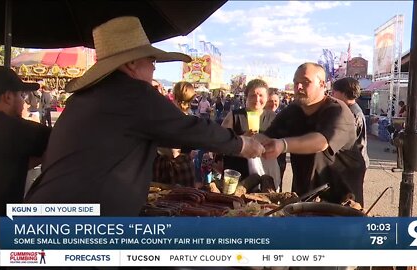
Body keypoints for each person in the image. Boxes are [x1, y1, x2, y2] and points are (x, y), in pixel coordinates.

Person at [24, 16, 264, 216]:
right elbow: (189, 128)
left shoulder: (88, 97)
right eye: (151, 60)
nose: (154, 67)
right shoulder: (132, 93)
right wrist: (241, 144)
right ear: (130, 64)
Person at [0, 66, 51, 269]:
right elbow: (61, 140)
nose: (23, 101)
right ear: (7, 97)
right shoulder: (16, 129)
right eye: (20, 95)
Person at [260, 62, 363, 205]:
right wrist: (241, 142)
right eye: (296, 82)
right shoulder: (293, 110)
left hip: (340, 203)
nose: (298, 87)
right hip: (303, 199)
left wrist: (283, 145)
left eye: (305, 82)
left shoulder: (338, 110)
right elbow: (267, 137)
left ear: (322, 84)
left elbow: (321, 142)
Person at [221, 79, 280, 189]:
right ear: (246, 97)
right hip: (238, 175)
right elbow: (220, 141)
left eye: (261, 95)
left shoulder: (273, 117)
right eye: (253, 95)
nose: (257, 99)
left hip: (267, 174)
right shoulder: (234, 116)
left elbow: (281, 143)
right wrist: (241, 139)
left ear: (267, 98)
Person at [153, 81, 198, 187]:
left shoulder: (169, 118)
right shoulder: (193, 119)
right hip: (185, 167)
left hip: (167, 169)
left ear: (174, 96)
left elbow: (174, 152)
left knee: (160, 201)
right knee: (188, 201)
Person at [331, 77, 369, 186]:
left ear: (343, 93)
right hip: (355, 161)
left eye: (334, 92)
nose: (332, 95)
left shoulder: (350, 113)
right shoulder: (354, 109)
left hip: (351, 164)